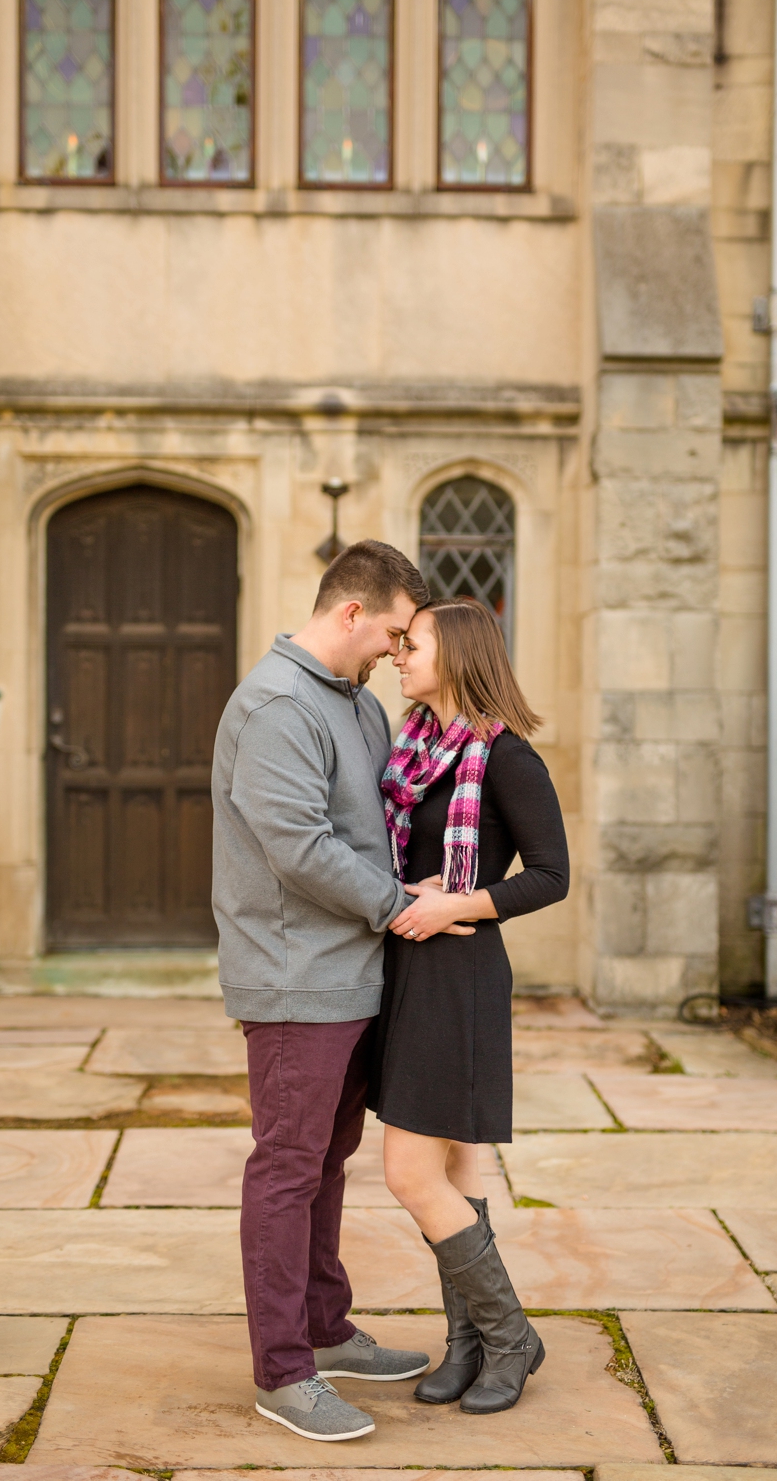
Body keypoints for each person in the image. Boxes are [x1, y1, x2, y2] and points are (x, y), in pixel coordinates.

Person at [213, 539, 434, 1443]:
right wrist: (397, 907)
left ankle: (324, 1328)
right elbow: (298, 847)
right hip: (296, 977)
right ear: (351, 613)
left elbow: (377, 822)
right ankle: (283, 1372)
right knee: (287, 1165)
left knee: (327, 1158)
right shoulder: (274, 706)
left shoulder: (361, 708)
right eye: (390, 630)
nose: (394, 648)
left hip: (355, 974)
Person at [368, 596, 570, 1415]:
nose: (398, 656)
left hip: (462, 977)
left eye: (410, 645)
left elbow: (552, 876)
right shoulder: (413, 750)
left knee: (409, 1172)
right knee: (455, 1167)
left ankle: (512, 1334)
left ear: (454, 654)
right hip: (408, 973)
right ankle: (472, 1343)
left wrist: (457, 904)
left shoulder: (508, 756)